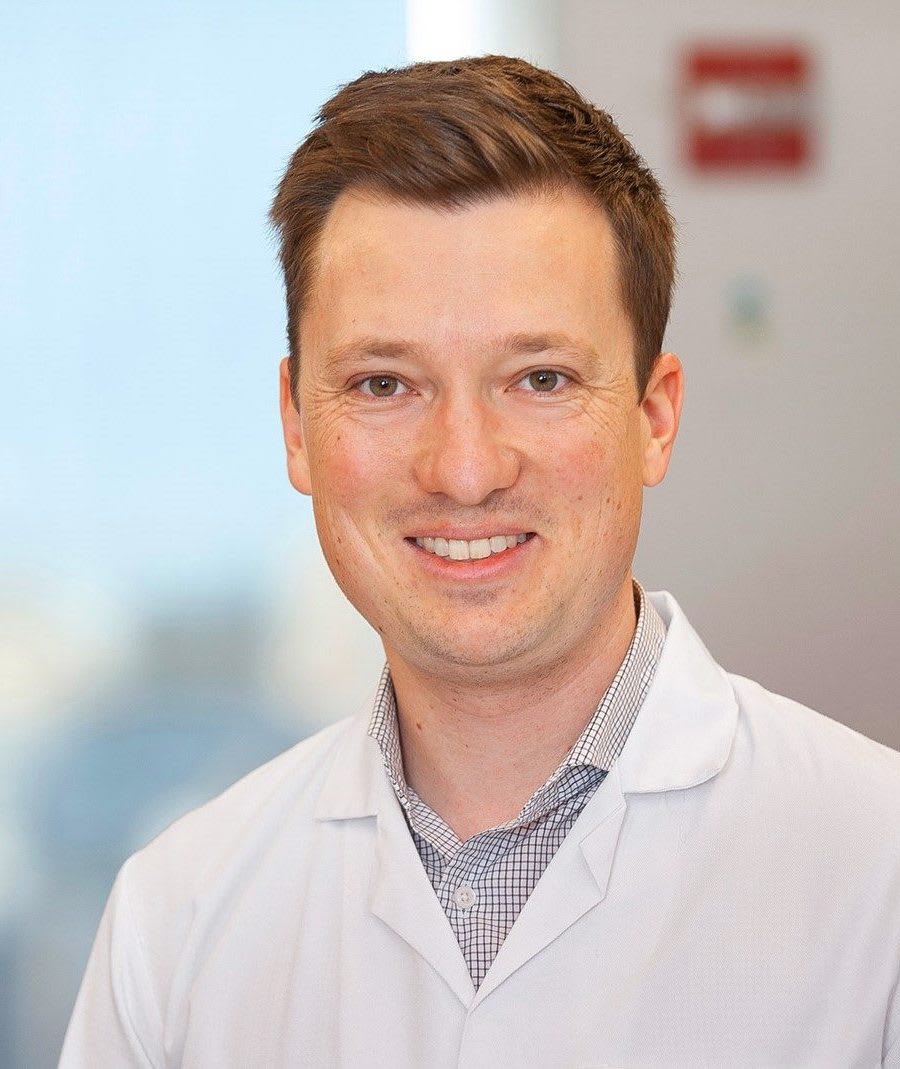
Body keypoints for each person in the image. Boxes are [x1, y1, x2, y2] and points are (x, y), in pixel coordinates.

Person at [60, 55, 900, 1068]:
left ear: (654, 416)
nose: (464, 470)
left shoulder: (877, 873)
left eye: (540, 378)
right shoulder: (175, 925)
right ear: (295, 425)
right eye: (384, 383)